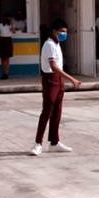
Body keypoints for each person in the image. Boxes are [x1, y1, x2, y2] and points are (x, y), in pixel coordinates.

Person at [30, 20, 82, 156]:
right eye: (62, 31)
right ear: (54, 31)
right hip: (50, 79)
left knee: (57, 112)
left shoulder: (57, 44)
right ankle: (38, 143)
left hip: (58, 81)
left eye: (65, 31)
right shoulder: (49, 45)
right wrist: (72, 79)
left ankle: (54, 142)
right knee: (47, 111)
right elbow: (53, 67)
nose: (64, 34)